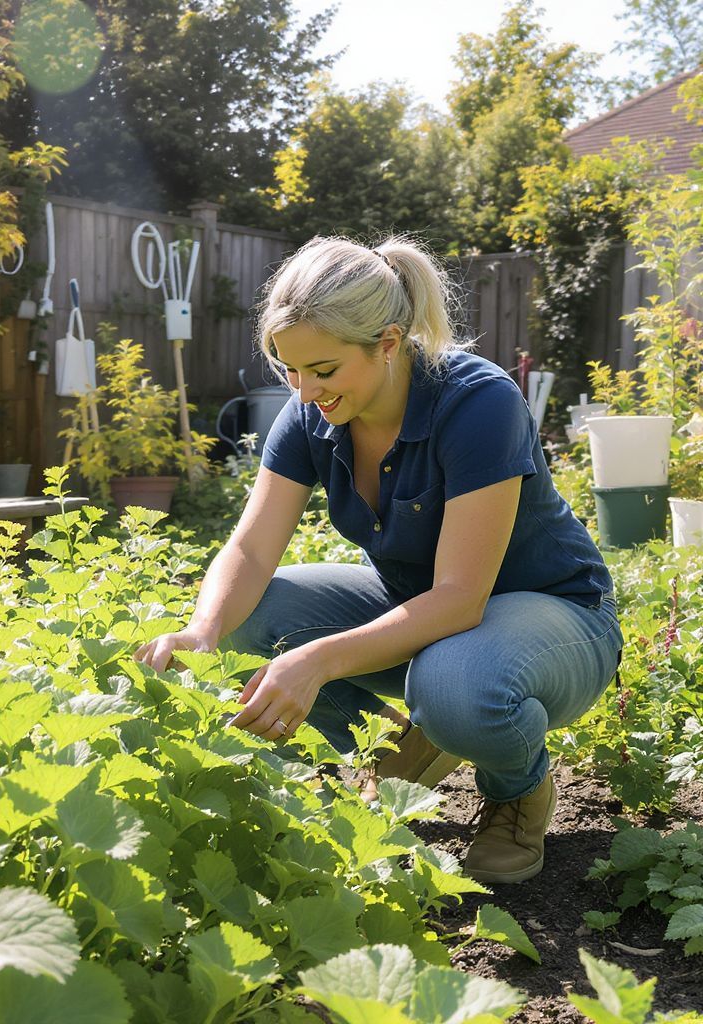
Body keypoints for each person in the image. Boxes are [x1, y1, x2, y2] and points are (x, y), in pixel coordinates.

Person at [135, 236, 622, 885]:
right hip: (427, 616)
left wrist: (319, 659)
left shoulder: (477, 402)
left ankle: (516, 791)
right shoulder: (314, 416)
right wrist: (201, 630)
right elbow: (251, 548)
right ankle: (399, 747)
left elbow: (460, 597)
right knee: (251, 620)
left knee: (453, 685)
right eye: (290, 369)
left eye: (324, 370)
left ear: (388, 343)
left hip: (556, 620)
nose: (305, 392)